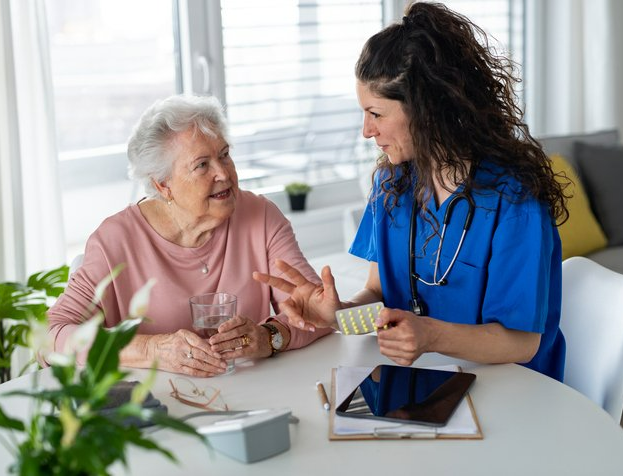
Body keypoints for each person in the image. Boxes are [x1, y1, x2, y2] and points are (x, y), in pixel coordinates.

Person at [254, 1, 569, 381]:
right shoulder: (392, 186)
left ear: (425, 110)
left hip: (514, 387)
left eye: (376, 113)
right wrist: (337, 315)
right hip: (421, 378)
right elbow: (378, 293)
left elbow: (522, 343)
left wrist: (431, 335)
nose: (366, 131)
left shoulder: (514, 200)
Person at [47, 94, 330, 377]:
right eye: (202, 165)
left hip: (251, 392)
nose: (224, 173)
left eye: (224, 155)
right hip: (159, 406)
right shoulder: (115, 241)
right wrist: (152, 350)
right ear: (163, 184)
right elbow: (53, 335)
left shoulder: (260, 215)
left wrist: (268, 336)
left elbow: (314, 313)